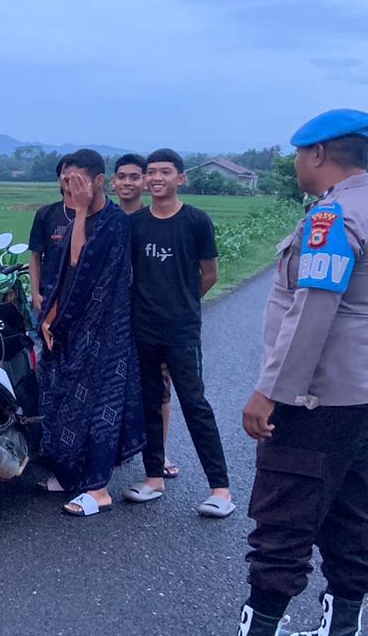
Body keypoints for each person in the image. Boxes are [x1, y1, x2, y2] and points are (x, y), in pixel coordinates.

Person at [186, 110, 368, 636]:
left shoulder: (335, 217)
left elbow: (312, 314)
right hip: (366, 390)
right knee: (347, 511)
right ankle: (342, 635)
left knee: (283, 514)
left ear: (320, 154)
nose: (299, 163)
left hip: (319, 397)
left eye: (301, 154)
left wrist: (271, 393)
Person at [123, 148, 233, 517]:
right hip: (143, 329)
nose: (156, 178)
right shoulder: (136, 224)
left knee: (195, 405)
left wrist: (182, 302)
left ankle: (220, 490)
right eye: (151, 172)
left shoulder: (196, 221)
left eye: (165, 172)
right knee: (150, 404)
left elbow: (210, 274)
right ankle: (153, 478)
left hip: (181, 330)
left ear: (180, 178)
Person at [38, 148, 145, 517]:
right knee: (64, 400)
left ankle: (98, 489)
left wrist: (81, 211)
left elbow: (79, 261)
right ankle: (72, 476)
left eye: (78, 181)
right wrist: (50, 318)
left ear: (99, 181)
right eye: (67, 181)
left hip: (104, 331)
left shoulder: (114, 222)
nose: (71, 188)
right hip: (70, 327)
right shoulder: (74, 219)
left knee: (100, 406)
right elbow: (62, 277)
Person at [113, 151, 178, 476]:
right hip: (112, 317)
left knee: (158, 387)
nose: (128, 183)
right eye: (122, 176)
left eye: (135, 177)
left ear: (145, 182)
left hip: (151, 318)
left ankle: (159, 454)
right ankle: (114, 447)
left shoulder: (156, 219)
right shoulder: (106, 219)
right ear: (112, 182)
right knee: (112, 384)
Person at [28, 153, 74, 321]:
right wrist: (35, 294)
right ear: (59, 178)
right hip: (48, 296)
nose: (70, 177)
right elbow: (35, 257)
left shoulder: (98, 215)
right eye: (66, 172)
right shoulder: (46, 214)